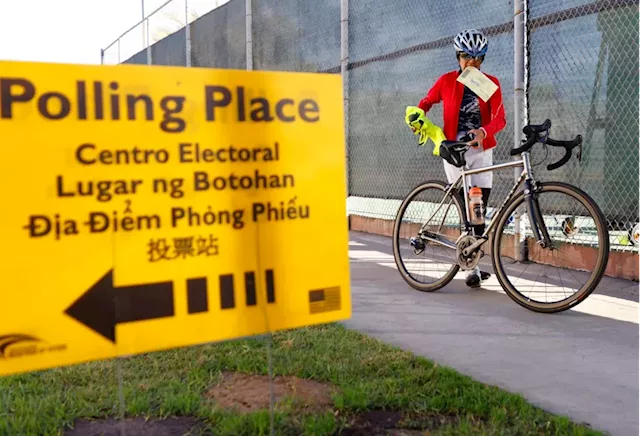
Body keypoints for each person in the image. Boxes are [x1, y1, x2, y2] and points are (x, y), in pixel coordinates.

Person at [414, 29, 507, 288]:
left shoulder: (490, 83)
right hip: (455, 150)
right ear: (458, 56)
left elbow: (500, 118)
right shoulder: (446, 81)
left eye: (478, 59)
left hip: (482, 151)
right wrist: (418, 117)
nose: (471, 64)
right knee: (464, 207)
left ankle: (471, 262)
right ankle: (471, 268)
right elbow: (426, 101)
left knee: (478, 209)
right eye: (466, 57)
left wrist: (483, 131)